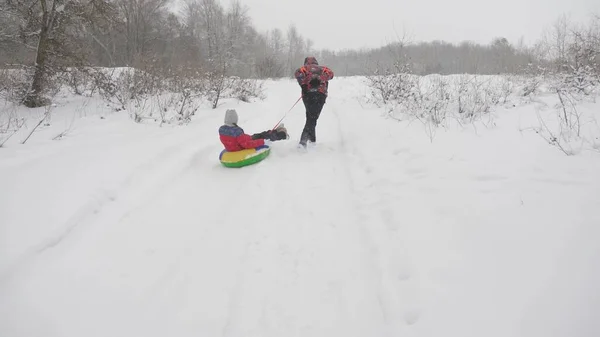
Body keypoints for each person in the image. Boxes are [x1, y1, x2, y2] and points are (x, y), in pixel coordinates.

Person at [294, 56, 334, 147]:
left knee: (310, 117)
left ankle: (312, 141)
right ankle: (303, 142)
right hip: (320, 95)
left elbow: (297, 73)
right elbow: (331, 74)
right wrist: (320, 78)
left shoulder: (304, 68)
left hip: (307, 95)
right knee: (312, 118)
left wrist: (304, 84)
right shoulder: (323, 68)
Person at [218, 109, 288, 152]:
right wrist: (263, 141)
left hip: (243, 140)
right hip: (243, 146)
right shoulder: (236, 131)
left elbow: (235, 140)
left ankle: (276, 130)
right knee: (265, 137)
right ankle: (282, 134)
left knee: (260, 134)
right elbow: (247, 144)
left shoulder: (222, 130)